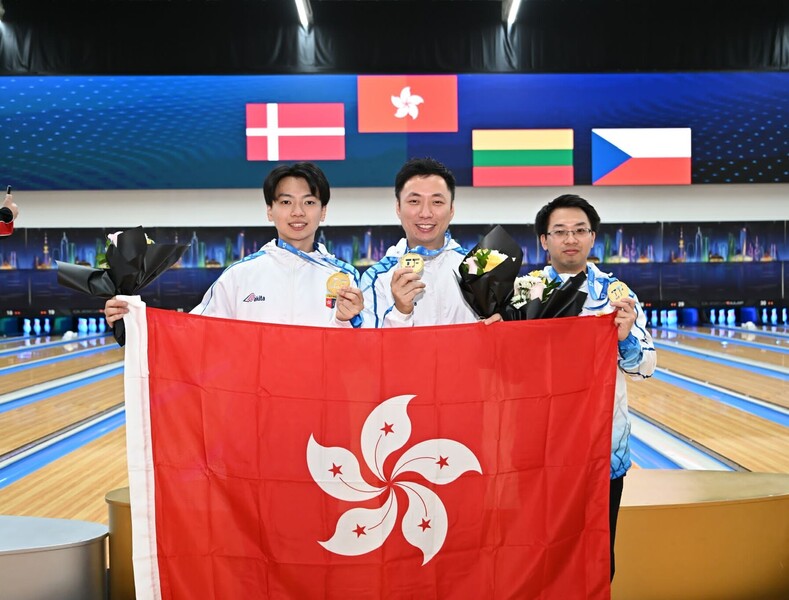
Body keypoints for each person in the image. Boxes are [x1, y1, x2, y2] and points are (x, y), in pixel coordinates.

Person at [494, 193, 656, 581]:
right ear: (544, 240)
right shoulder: (521, 292)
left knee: (598, 554)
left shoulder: (618, 296)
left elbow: (646, 367)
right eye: (561, 231)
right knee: (533, 553)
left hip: (603, 450)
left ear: (592, 237)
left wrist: (625, 338)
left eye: (580, 230)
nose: (571, 239)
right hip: (536, 450)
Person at [104, 162, 363, 329]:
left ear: (323, 211)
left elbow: (365, 348)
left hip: (321, 402)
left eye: (309, 202)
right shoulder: (239, 275)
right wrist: (133, 319)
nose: (297, 212)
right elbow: (195, 330)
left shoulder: (345, 276)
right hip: (257, 403)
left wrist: (345, 320)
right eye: (285, 202)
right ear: (269, 211)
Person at [360, 157, 478, 327]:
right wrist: (400, 311)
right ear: (398, 208)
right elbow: (371, 347)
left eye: (437, 202)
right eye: (414, 201)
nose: (425, 213)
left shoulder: (475, 269)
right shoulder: (376, 278)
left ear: (451, 209)